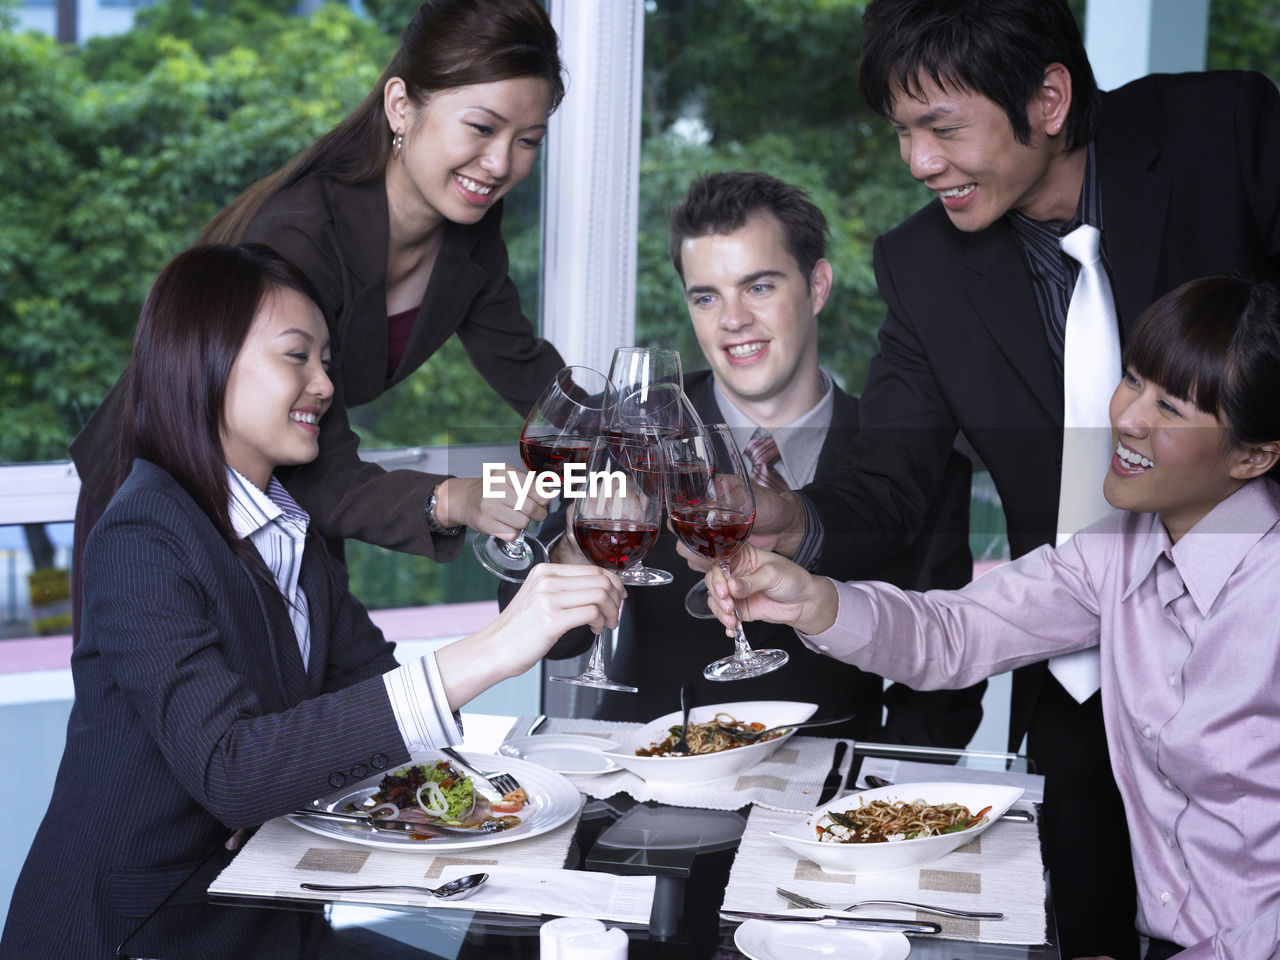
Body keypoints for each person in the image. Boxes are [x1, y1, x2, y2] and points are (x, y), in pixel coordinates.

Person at [737, 2, 1280, 955]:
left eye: (942, 128)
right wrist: (791, 526)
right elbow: (892, 492)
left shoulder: (1226, 134)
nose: (917, 161)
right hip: (1072, 654)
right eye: (903, 132)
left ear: (1049, 99)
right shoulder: (921, 266)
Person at [0, 244, 623, 960]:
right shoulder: (144, 534)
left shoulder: (290, 530)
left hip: (266, 917)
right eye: (297, 356)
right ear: (203, 361)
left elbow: (371, 700)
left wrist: (521, 790)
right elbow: (231, 771)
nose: (324, 384)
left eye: (325, 360)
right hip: (139, 934)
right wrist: (495, 647)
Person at [706, 275, 1280, 960]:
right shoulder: (1119, 548)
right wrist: (815, 600)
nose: (1126, 417)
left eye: (1172, 407)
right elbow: (959, 633)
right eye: (1132, 380)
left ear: (1254, 455)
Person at [67, 0, 568, 636]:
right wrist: (455, 498)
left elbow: (525, 369)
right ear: (401, 107)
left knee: (316, 715)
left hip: (283, 492)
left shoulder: (471, 230)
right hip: (171, 499)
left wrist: (640, 443)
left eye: (527, 141)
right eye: (481, 128)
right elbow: (318, 466)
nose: (501, 164)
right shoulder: (301, 235)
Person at [529, 171, 985, 746]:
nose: (733, 320)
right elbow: (550, 637)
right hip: (646, 787)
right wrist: (575, 546)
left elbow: (944, 692)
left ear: (817, 286)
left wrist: (877, 803)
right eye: (706, 296)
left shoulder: (919, 462)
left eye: (759, 287)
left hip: (826, 804)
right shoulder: (630, 426)